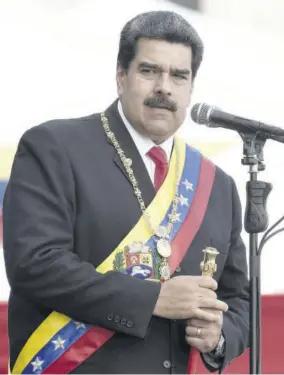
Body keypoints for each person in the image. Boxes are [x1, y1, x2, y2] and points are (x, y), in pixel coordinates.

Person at [3, 10, 249, 374]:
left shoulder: (218, 185)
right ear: (121, 76)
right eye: (149, 71)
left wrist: (219, 337)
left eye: (178, 76)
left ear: (191, 89)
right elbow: (34, 263)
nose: (164, 87)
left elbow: (238, 300)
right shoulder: (55, 147)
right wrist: (153, 299)